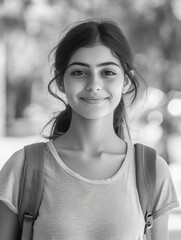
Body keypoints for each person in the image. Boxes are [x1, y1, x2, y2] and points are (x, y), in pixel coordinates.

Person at [0, 18, 180, 240]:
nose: (94, 84)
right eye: (79, 72)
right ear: (60, 81)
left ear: (126, 81)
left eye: (108, 72)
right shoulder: (23, 167)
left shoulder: (151, 171)